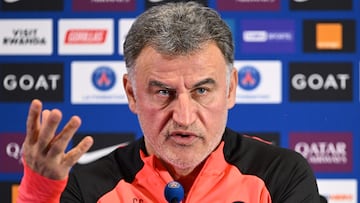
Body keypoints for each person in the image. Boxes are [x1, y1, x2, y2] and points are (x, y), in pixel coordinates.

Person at [17, 2, 320, 202]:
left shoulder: (281, 174)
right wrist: (39, 194)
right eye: (163, 92)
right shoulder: (87, 187)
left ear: (230, 90)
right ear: (131, 93)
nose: (184, 117)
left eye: (201, 91)